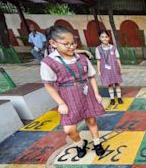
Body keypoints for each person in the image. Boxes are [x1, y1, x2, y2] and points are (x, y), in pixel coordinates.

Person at [40, 25, 106, 158]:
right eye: (66, 44)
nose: (71, 47)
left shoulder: (82, 58)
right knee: (69, 129)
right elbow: (49, 85)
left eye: (73, 43)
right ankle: (80, 144)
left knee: (91, 121)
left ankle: (97, 143)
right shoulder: (49, 62)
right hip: (67, 96)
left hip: (85, 92)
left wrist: (97, 93)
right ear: (53, 43)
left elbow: (91, 77)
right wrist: (61, 103)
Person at [95, 31, 123, 105]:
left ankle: (119, 98)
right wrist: (99, 71)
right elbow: (98, 61)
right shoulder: (98, 49)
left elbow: (117, 59)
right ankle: (112, 99)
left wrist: (120, 68)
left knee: (117, 83)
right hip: (105, 69)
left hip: (114, 68)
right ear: (100, 38)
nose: (104, 38)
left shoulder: (113, 48)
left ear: (109, 38)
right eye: (102, 37)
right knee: (109, 84)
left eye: (106, 37)